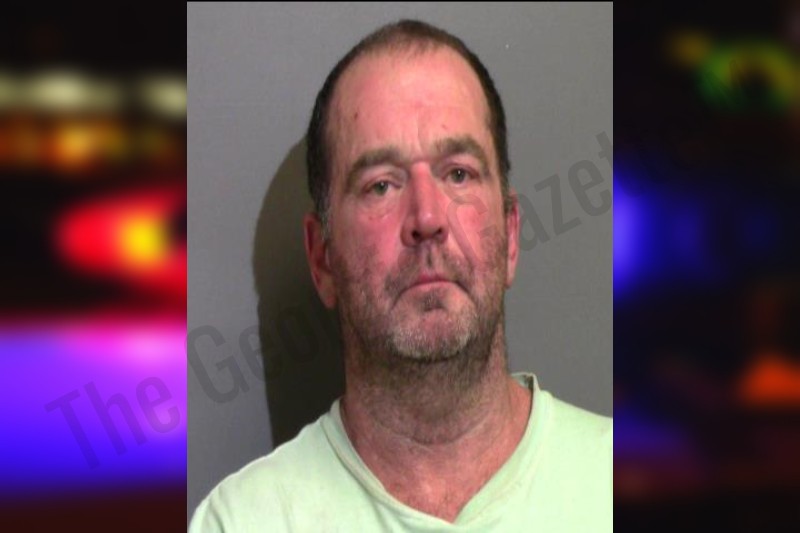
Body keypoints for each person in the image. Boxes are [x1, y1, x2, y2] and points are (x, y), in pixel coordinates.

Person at [190, 19, 611, 532]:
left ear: (511, 235)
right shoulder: (241, 521)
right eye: (381, 185)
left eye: (458, 173)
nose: (427, 218)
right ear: (322, 258)